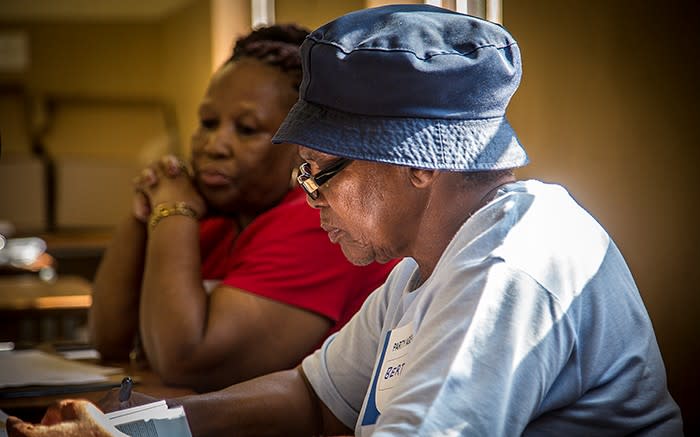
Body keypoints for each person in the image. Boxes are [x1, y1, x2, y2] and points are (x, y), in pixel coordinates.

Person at [8, 4, 683, 436]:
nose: (307, 197)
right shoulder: (423, 266)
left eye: (319, 171)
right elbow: (310, 396)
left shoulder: (509, 265)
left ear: (420, 164)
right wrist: (131, 428)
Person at [88, 23, 398, 392]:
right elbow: (109, 341)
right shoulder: (217, 217)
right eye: (207, 123)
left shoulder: (320, 219)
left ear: (302, 146)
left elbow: (188, 362)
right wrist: (146, 212)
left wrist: (172, 210)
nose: (214, 145)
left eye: (247, 129)